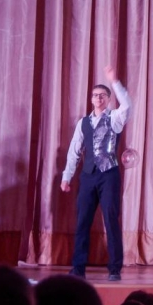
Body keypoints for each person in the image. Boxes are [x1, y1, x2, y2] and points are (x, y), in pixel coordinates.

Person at [61, 65, 133, 281]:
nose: (98, 98)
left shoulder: (115, 118)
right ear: (91, 99)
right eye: (95, 95)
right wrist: (66, 177)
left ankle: (114, 269)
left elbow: (127, 105)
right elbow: (74, 150)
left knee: (111, 219)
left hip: (109, 175)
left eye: (102, 95)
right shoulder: (83, 123)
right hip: (88, 176)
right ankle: (78, 268)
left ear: (108, 99)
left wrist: (114, 81)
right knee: (82, 220)